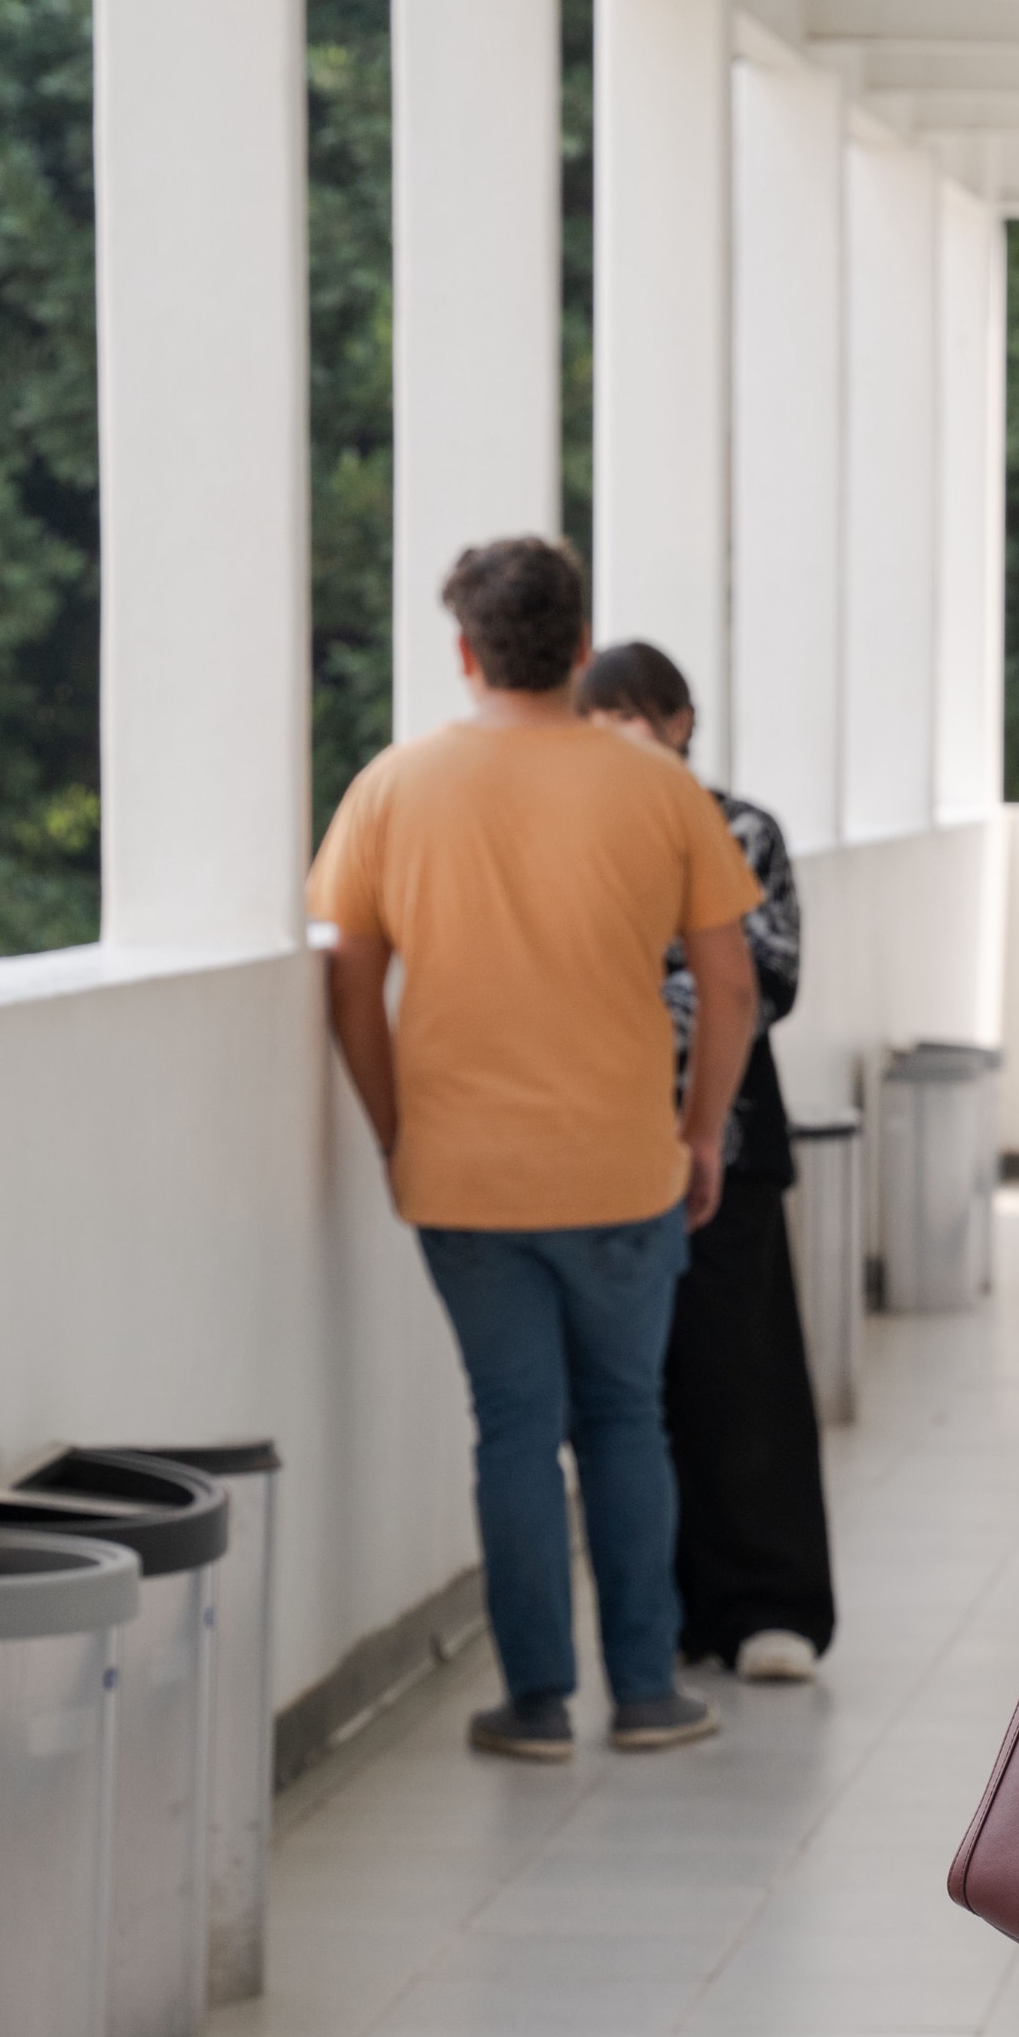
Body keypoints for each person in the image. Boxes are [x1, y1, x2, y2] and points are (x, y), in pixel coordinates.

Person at [308, 537, 768, 1760]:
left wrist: (396, 1128)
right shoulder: (658, 788)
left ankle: (537, 1705)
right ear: (579, 647)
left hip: (463, 1173)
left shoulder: (393, 786)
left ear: (464, 651)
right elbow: (730, 986)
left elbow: (350, 984)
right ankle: (647, 1693)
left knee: (512, 1428)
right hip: (626, 1166)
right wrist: (701, 1131)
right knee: (624, 1418)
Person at [576, 641, 838, 1684]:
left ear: (680, 721)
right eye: (599, 722)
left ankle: (774, 1607)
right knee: (640, 1392)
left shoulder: (742, 829)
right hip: (603, 1149)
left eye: (634, 716)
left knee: (745, 1378)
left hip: (729, 1139)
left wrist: (636, 998)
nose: (617, 739)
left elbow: (766, 976)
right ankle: (679, 1611)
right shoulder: (578, 832)